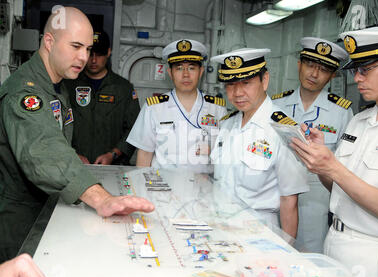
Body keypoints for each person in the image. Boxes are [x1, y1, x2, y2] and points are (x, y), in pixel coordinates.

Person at [0, 6, 154, 263]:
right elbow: (44, 152)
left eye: (87, 48)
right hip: (19, 221)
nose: (84, 57)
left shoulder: (56, 88)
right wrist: (101, 199)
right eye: (75, 46)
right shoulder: (26, 93)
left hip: (46, 208)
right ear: (49, 42)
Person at [290, 26, 378, 277]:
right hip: (335, 242)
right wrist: (322, 164)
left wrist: (334, 167)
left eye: (366, 69)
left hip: (375, 258)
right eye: (355, 70)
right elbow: (341, 188)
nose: (358, 78)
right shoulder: (360, 121)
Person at [210, 48, 309, 238]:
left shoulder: (284, 129)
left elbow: (290, 200)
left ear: (265, 80)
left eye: (246, 83)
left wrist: (287, 255)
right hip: (220, 229)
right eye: (230, 85)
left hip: (259, 233)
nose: (237, 92)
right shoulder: (227, 124)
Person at [271, 37, 353, 253]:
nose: (314, 74)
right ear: (299, 65)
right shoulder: (276, 105)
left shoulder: (342, 112)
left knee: (310, 260)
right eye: (310, 65)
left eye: (323, 69)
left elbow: (344, 165)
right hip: (275, 193)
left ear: (333, 74)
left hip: (316, 200)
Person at [127, 39, 227, 173]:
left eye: (192, 68)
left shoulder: (217, 108)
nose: (186, 74)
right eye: (179, 68)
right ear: (170, 73)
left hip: (203, 190)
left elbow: (226, 154)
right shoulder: (154, 108)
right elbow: (144, 154)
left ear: (201, 71)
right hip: (163, 190)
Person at [64, 30, 140, 165]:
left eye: (99, 55)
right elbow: (56, 125)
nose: (93, 60)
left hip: (111, 167)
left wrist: (114, 154)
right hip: (73, 166)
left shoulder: (123, 88)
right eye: (90, 54)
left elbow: (135, 128)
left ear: (109, 52)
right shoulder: (68, 85)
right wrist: (71, 154)